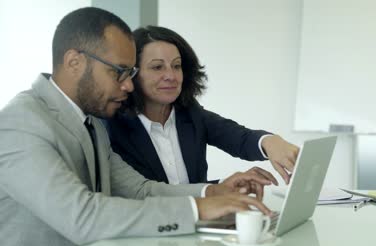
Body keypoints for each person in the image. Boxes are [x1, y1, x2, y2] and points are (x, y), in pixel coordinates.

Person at [0, 7, 276, 246]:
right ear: (74, 62)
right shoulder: (20, 123)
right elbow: (84, 217)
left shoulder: (91, 124)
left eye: (130, 73)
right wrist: (198, 210)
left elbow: (142, 190)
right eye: (119, 72)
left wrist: (212, 193)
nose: (130, 85)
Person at [106, 26, 299, 187]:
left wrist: (270, 142)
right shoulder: (111, 127)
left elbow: (239, 138)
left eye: (177, 66)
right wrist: (219, 189)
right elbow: (143, 196)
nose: (171, 76)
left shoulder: (190, 113)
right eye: (157, 67)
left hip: (197, 228)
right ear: (133, 74)